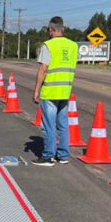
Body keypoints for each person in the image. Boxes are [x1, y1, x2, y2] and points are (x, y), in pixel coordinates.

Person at [31, 16, 78, 167]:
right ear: (62, 29)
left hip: (50, 91)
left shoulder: (48, 45)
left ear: (51, 30)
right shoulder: (73, 46)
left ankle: (48, 156)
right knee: (63, 125)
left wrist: (36, 90)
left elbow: (43, 69)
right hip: (65, 90)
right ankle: (63, 155)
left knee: (49, 126)